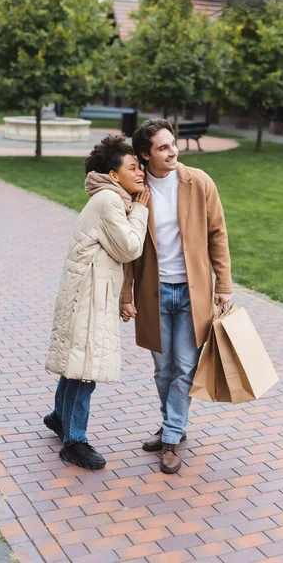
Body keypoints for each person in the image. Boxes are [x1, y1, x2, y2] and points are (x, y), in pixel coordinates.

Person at [120, 119, 232, 474]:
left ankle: (171, 437)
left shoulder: (198, 182)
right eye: (163, 147)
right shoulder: (136, 190)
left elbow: (218, 233)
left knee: (184, 367)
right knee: (162, 370)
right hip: (153, 294)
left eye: (173, 144)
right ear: (144, 154)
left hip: (191, 293)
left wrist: (224, 284)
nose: (173, 152)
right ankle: (173, 424)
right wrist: (126, 294)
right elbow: (127, 249)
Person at [44, 135, 150, 470]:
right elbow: (129, 248)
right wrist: (143, 210)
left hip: (88, 294)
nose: (140, 173)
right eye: (133, 167)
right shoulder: (109, 200)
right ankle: (74, 441)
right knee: (85, 370)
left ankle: (60, 418)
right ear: (113, 174)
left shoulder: (111, 197)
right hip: (88, 297)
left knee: (78, 362)